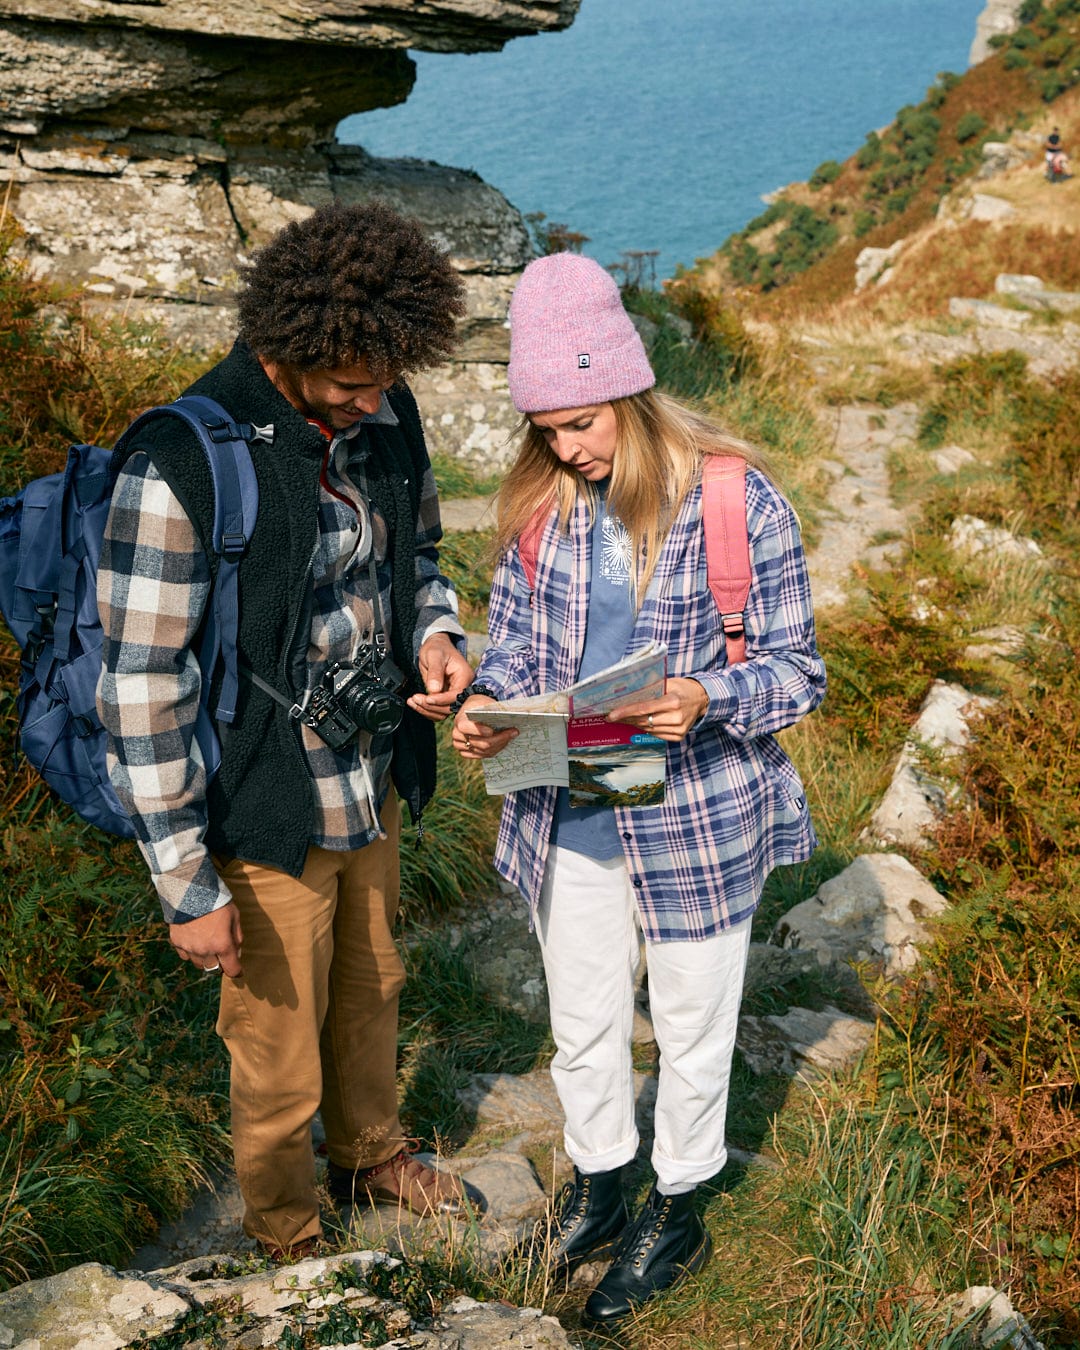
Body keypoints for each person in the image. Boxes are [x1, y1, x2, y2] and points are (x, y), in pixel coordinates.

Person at [97, 201, 477, 1258]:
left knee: (373, 981)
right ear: (287, 346)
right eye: (351, 383)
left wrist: (439, 636)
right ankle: (288, 1230)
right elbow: (140, 687)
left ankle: (370, 1152)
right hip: (258, 799)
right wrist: (183, 882)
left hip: (368, 773)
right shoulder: (180, 460)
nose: (372, 401)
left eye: (387, 380)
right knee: (272, 1032)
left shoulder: (386, 413)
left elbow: (424, 563)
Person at [451, 253, 826, 1323]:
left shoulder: (735, 499)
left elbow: (800, 670)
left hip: (697, 813)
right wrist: (490, 714)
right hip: (567, 795)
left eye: (583, 423)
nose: (569, 449)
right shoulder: (541, 507)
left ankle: (680, 1205)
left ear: (627, 390)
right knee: (582, 1019)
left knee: (697, 1026)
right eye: (549, 430)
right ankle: (604, 1179)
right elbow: (516, 654)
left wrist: (707, 694)